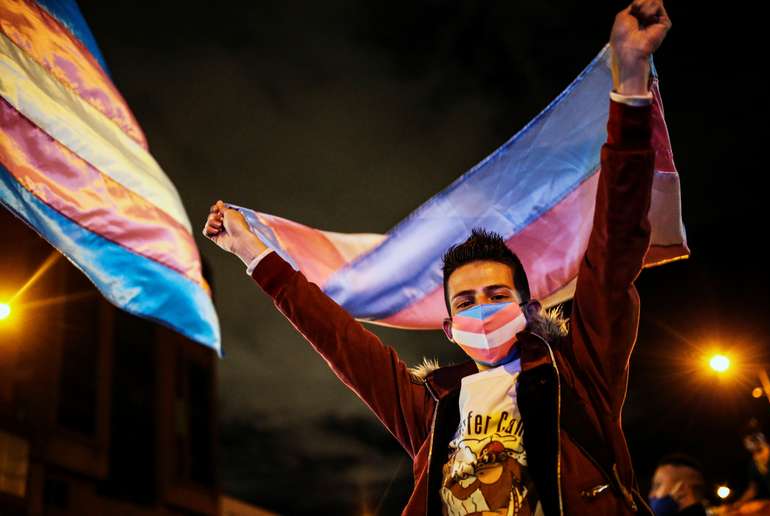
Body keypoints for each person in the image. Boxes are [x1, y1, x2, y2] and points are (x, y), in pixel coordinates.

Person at [204, 1, 671, 513]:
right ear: (449, 327)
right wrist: (252, 252)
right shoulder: (431, 408)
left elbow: (614, 249)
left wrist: (629, 87)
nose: (482, 308)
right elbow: (338, 338)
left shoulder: (579, 377)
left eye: (496, 294)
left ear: (528, 308)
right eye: (465, 301)